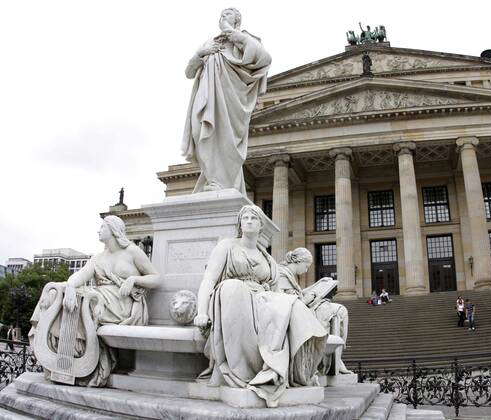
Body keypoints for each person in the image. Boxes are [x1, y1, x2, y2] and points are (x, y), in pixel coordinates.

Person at [193, 205, 327, 407]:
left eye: (253, 218)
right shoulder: (227, 246)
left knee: (294, 306)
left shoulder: (266, 257)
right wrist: (201, 312)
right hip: (235, 296)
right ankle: (244, 371)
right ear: (239, 223)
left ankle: (298, 372)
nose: (248, 221)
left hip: (263, 298)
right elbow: (209, 280)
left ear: (261, 225)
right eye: (244, 217)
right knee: (233, 287)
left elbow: (275, 290)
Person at [30, 215, 162, 386]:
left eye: (102, 227)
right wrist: (70, 287)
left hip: (122, 303)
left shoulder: (132, 251)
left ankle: (76, 357)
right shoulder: (97, 258)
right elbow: (80, 276)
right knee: (56, 292)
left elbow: (157, 278)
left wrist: (134, 280)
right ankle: (65, 358)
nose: (98, 230)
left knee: (87, 302)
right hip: (100, 297)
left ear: (113, 230)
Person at [181, 8, 272, 194]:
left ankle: (218, 181)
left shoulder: (244, 39)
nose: (223, 15)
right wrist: (200, 54)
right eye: (222, 14)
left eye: (229, 13)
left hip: (230, 99)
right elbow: (189, 73)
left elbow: (263, 58)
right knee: (200, 134)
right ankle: (212, 178)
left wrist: (230, 31)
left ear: (237, 20)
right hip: (205, 97)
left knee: (223, 139)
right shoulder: (210, 43)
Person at [276, 248, 353, 376]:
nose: (306, 270)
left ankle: (337, 359)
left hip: (303, 308)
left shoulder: (289, 274)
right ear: (299, 261)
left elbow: (298, 293)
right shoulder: (281, 274)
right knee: (337, 311)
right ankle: (333, 360)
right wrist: (308, 299)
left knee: (340, 311)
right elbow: (285, 303)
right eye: (306, 266)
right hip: (295, 313)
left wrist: (318, 284)